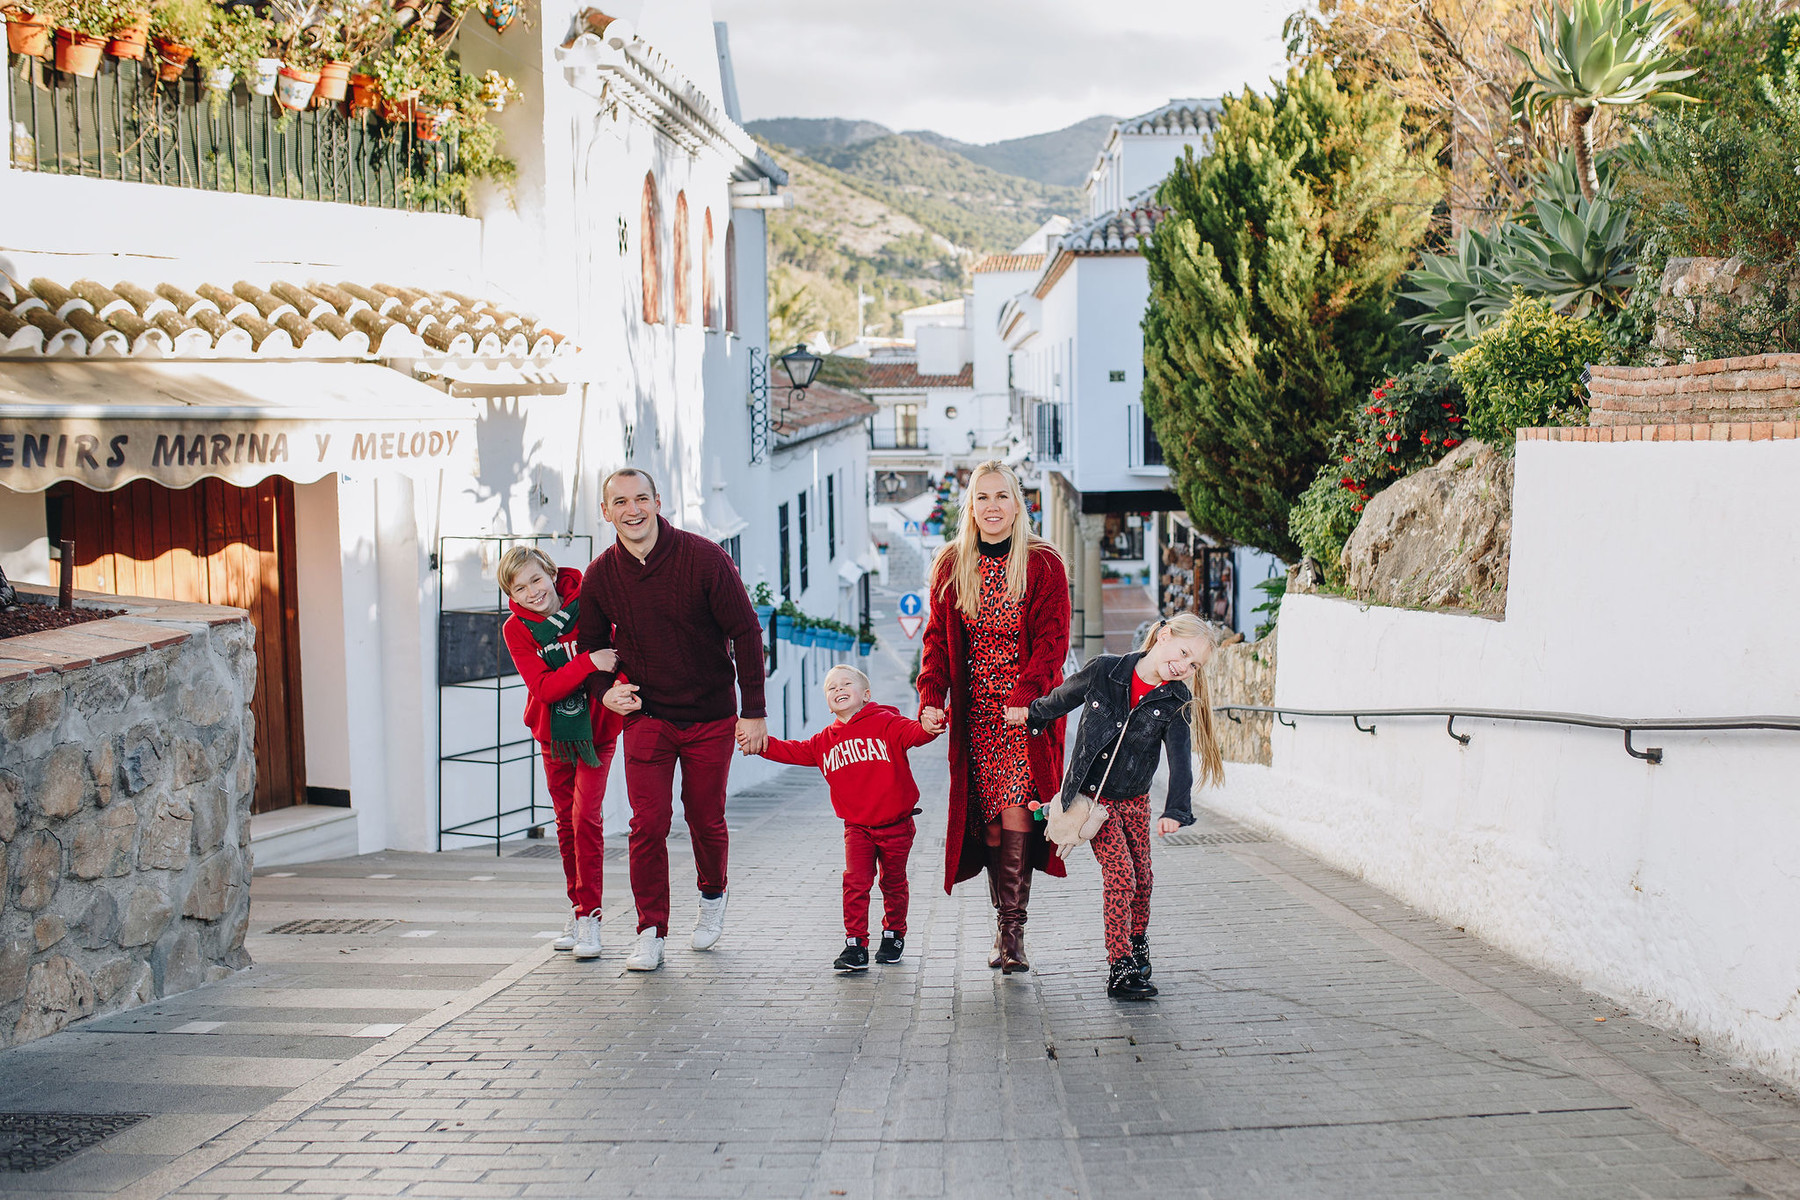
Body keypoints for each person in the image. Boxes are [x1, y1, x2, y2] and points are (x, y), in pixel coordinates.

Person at [576, 468, 767, 972]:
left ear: (658, 501)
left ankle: (712, 894)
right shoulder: (600, 575)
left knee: (705, 819)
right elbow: (591, 648)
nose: (632, 510)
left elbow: (746, 632)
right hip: (648, 715)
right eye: (620, 502)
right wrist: (605, 693)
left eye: (641, 499)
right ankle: (650, 930)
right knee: (648, 824)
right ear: (606, 511)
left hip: (709, 714)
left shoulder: (705, 559)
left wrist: (753, 713)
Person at [916, 460, 1070, 975]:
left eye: (1001, 497)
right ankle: (1002, 926)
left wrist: (1026, 698)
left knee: (1019, 815)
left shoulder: (1045, 564)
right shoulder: (951, 565)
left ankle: (1013, 933)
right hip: (976, 719)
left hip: (1026, 717)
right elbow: (936, 640)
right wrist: (932, 695)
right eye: (982, 498)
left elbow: (1053, 643)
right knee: (990, 829)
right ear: (971, 507)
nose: (992, 508)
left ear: (1017, 503)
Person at [1026, 613, 1226, 1000]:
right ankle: (1119, 967)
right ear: (1164, 636)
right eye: (1184, 652)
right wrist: (1031, 715)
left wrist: (1175, 810)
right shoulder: (1105, 671)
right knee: (1121, 876)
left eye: (1194, 664)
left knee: (1143, 879)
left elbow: (1180, 759)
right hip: (1093, 803)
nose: (1184, 666)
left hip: (1135, 802)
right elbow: (1062, 698)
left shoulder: (1175, 699)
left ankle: (1136, 944)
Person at [750, 664, 939, 972]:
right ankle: (856, 945)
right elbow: (791, 750)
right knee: (856, 882)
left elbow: (915, 733)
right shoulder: (824, 742)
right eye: (831, 687)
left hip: (896, 825)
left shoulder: (887, 724)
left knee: (892, 883)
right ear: (826, 701)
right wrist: (759, 744)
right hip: (858, 828)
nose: (838, 689)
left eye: (845, 684)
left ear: (865, 695)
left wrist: (930, 727)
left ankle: (893, 935)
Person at [497, 546, 622, 961]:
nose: (532, 592)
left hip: (598, 729)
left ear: (551, 573)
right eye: (519, 588)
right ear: (511, 595)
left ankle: (591, 917)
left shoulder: (590, 602)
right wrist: (588, 661)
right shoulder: (516, 629)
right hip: (554, 734)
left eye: (536, 579)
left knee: (585, 817)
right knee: (565, 825)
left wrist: (604, 676)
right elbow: (546, 688)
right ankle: (578, 908)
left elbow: (619, 658)